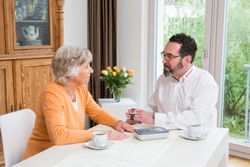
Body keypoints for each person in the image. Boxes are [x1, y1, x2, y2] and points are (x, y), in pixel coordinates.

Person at [23, 46, 133, 159]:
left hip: (67, 152)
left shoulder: (80, 88)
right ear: (70, 71)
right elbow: (59, 136)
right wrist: (101, 134)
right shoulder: (52, 94)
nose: (91, 70)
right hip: (43, 157)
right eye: (86, 66)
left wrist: (117, 122)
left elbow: (97, 113)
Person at [126, 33, 219, 130]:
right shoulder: (163, 79)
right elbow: (153, 107)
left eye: (169, 56)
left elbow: (195, 118)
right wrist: (138, 117)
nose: (163, 61)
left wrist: (154, 118)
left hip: (196, 141)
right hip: (166, 137)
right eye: (164, 55)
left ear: (187, 60)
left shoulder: (205, 81)